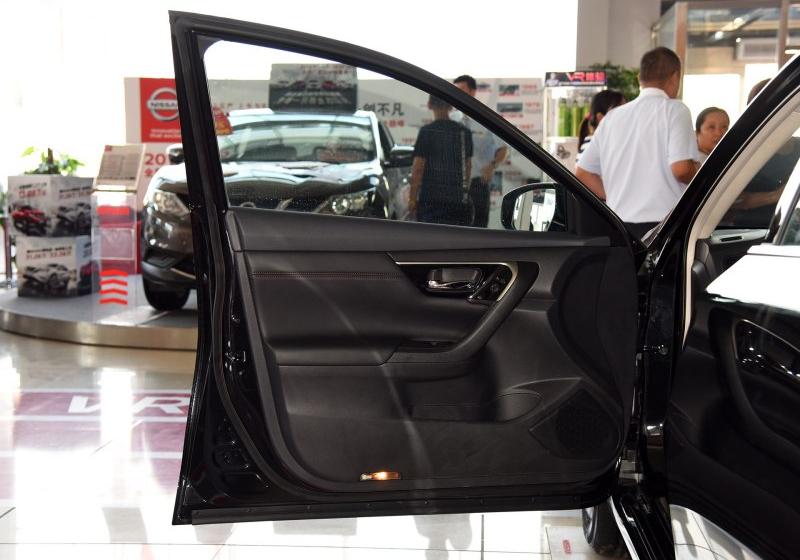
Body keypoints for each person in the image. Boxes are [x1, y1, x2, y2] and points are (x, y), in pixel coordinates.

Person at [575, 47, 700, 238]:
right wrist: (700, 173)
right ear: (675, 77)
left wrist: (617, 196)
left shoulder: (613, 117)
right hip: (663, 227)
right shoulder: (675, 110)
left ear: (639, 78)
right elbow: (682, 169)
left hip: (619, 226)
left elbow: (583, 173)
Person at [453, 75, 507, 227]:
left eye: (461, 89)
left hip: (478, 184)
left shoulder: (485, 117)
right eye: (455, 90)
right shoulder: (452, 119)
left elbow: (503, 149)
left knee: (479, 229)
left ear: (473, 91)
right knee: (455, 230)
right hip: (454, 185)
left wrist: (492, 165)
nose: (457, 93)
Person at [410, 94, 473, 226]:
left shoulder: (427, 132)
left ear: (429, 105)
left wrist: (412, 199)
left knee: (431, 237)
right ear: (450, 107)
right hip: (457, 201)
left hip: (430, 202)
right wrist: (464, 193)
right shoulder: (464, 132)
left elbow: (418, 169)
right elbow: (468, 168)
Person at [576, 89, 625, 162]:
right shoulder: (595, 148)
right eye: (620, 113)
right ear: (601, 118)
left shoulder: (599, 145)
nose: (626, 117)